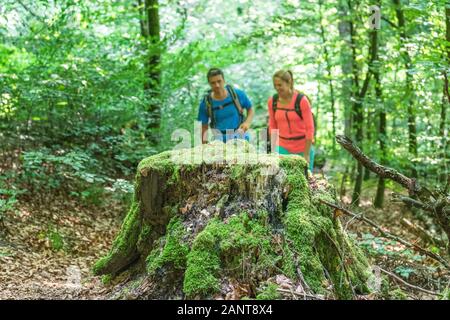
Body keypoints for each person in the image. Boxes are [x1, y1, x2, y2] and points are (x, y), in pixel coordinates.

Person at [268, 70, 315, 172]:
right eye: (275, 85)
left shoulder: (302, 101)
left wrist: (306, 154)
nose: (277, 88)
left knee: (304, 180)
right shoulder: (273, 101)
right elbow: (272, 125)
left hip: (303, 147)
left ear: (289, 83)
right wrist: (273, 149)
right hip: (282, 146)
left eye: (280, 85)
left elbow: (310, 128)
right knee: (281, 178)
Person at [197, 68, 254, 144]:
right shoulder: (206, 104)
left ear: (224, 80)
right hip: (219, 140)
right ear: (209, 84)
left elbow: (250, 109)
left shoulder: (237, 94)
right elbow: (204, 126)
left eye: (219, 81)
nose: (217, 85)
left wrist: (247, 123)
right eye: (213, 83)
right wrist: (204, 145)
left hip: (240, 136)